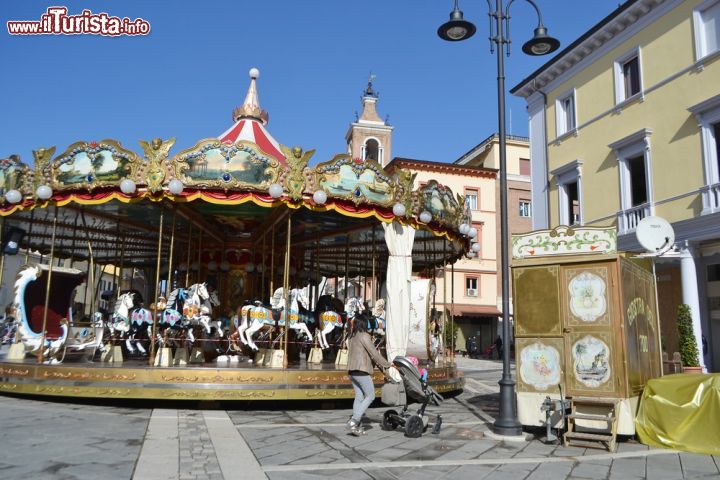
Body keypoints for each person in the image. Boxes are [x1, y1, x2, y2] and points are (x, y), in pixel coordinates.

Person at [346, 312, 392, 436]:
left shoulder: (352, 336)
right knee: (370, 396)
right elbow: (374, 353)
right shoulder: (364, 336)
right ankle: (354, 420)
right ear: (364, 323)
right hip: (361, 371)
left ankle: (355, 425)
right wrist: (388, 364)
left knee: (359, 396)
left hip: (352, 371)